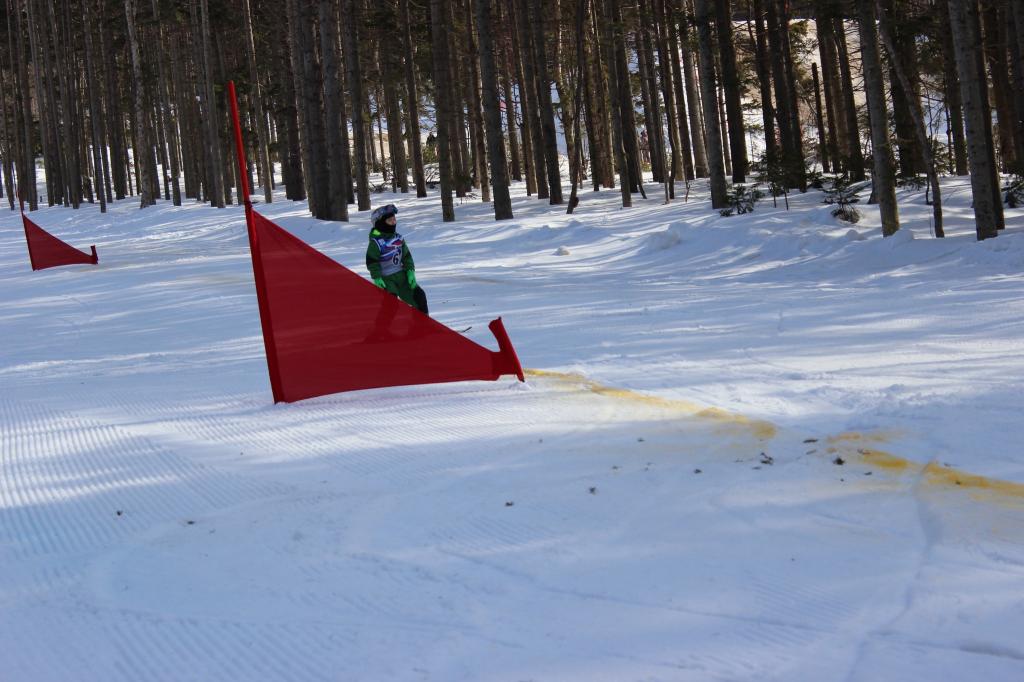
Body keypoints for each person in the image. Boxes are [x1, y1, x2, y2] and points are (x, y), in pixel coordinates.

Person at [365, 204, 428, 315]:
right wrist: (377, 277)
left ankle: (422, 327)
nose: (394, 222)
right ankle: (382, 329)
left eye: (394, 219)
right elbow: (371, 261)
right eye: (390, 220)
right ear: (381, 223)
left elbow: (406, 256)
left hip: (402, 276)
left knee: (419, 296)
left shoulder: (398, 238)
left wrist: (410, 271)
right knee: (391, 305)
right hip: (387, 280)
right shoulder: (376, 243)